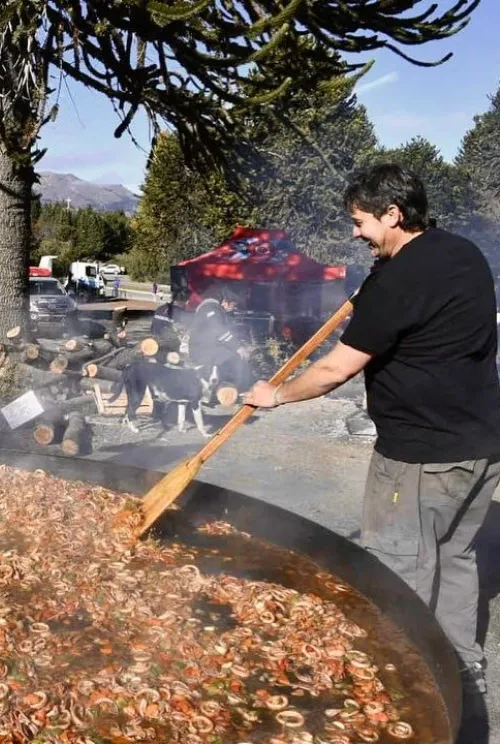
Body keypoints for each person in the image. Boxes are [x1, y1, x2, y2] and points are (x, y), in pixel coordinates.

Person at [243, 164, 500, 695]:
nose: (354, 233)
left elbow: (336, 370)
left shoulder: (399, 280)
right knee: (457, 554)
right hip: (483, 446)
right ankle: (462, 665)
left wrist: (276, 395)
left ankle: (395, 676)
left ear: (393, 214)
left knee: (397, 564)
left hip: (420, 453)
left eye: (360, 222)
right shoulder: (462, 254)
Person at [188, 287, 251, 391]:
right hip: (201, 350)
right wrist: (238, 348)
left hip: (206, 347)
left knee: (230, 354)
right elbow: (220, 331)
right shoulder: (211, 309)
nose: (233, 308)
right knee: (236, 357)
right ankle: (237, 389)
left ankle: (225, 386)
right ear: (226, 302)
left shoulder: (213, 308)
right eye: (233, 305)